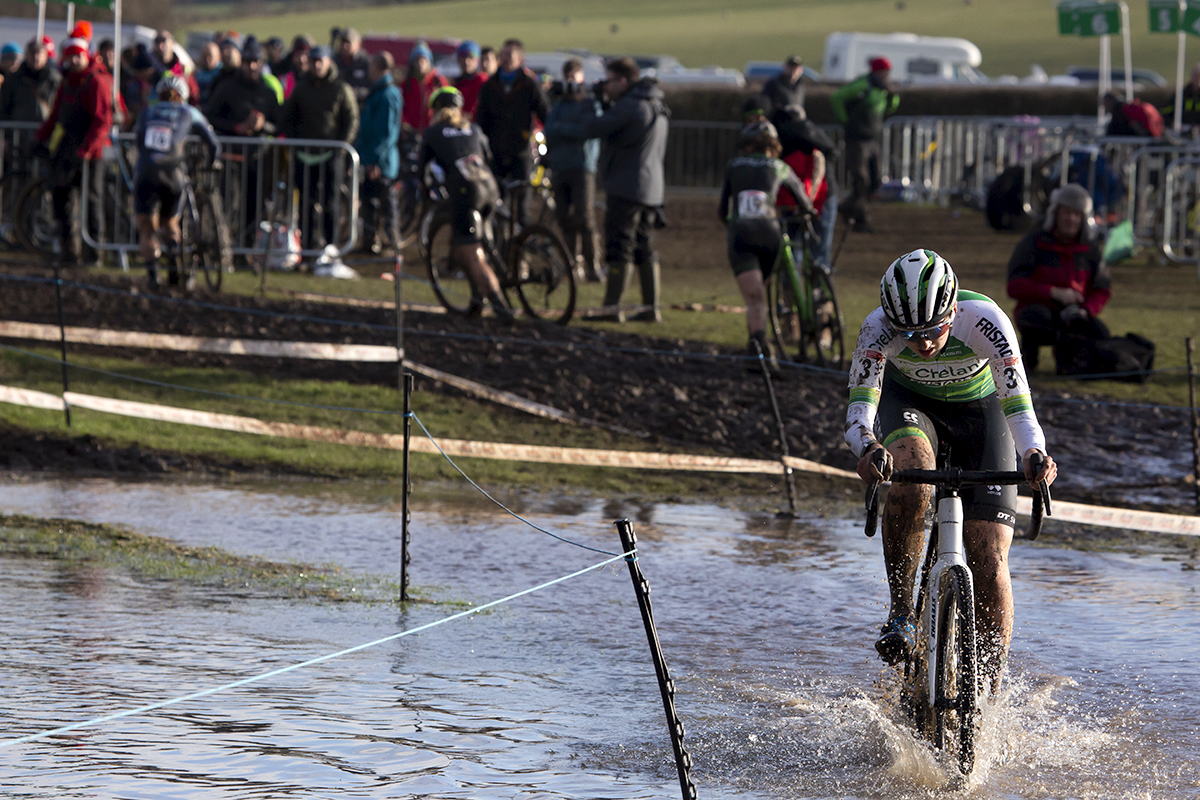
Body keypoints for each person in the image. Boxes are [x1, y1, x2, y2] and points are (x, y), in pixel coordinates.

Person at [846, 249, 1058, 690]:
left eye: (933, 330)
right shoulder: (877, 327)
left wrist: (1035, 455)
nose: (922, 343)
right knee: (911, 469)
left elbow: (1019, 407)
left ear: (953, 310)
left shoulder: (986, 320)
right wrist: (867, 449)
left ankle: (990, 687)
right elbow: (859, 412)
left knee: (989, 551)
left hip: (981, 413)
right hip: (910, 407)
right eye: (910, 333)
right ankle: (902, 612)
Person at [580, 56, 670, 323]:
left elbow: (593, 127)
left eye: (608, 81)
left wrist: (590, 102)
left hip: (627, 185)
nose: (604, 86)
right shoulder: (656, 105)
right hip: (652, 188)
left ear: (621, 80)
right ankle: (650, 308)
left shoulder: (631, 106)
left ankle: (611, 308)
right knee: (644, 246)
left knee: (620, 245)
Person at [718, 119, 811, 371]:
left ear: (747, 146)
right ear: (773, 146)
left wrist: (734, 224)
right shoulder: (779, 166)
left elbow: (722, 210)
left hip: (742, 236)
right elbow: (803, 200)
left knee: (755, 300)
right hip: (770, 236)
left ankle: (759, 349)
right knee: (763, 293)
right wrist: (808, 212)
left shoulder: (733, 165)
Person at [418, 86, 511, 321]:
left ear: (436, 110)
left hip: (464, 192)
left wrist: (429, 191)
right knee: (482, 241)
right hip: (489, 187)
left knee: (472, 253)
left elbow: (422, 172)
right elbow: (488, 157)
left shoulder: (432, 132)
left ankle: (500, 305)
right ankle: (481, 293)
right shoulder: (474, 128)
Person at [1006, 183, 1111, 372]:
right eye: (1066, 213)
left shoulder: (1091, 250)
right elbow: (1014, 286)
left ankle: (1072, 360)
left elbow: (1102, 289)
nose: (1071, 219)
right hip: (1040, 310)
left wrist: (1086, 310)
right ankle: (1029, 357)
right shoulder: (1034, 242)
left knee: (1101, 334)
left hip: (1076, 314)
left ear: (1084, 218)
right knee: (1035, 319)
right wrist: (1053, 293)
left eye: (1076, 214)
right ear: (1055, 214)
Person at [133, 74, 221, 289]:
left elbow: (138, 141)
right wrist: (212, 163)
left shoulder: (147, 112)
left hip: (145, 172)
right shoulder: (189, 111)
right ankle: (174, 267)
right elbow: (213, 143)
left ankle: (153, 277)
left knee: (146, 227)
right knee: (171, 223)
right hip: (173, 173)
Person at [33, 35, 112, 267]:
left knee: (92, 202)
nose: (75, 60)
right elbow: (56, 116)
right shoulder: (67, 82)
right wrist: (39, 138)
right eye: (71, 57)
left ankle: (94, 254)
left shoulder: (95, 82)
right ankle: (69, 252)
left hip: (92, 153)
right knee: (62, 199)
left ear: (86, 55)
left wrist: (86, 150)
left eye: (79, 56)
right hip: (67, 149)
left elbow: (101, 122)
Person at [281, 44, 359, 250]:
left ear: (328, 62)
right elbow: (288, 117)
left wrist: (340, 148)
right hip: (305, 155)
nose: (316, 65)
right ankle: (306, 247)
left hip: (331, 156)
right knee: (305, 204)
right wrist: (296, 141)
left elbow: (351, 121)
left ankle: (330, 249)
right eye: (313, 61)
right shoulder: (301, 88)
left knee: (331, 204)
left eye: (320, 61)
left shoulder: (341, 88)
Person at [474, 38, 549, 224]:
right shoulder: (490, 86)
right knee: (496, 203)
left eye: (510, 55)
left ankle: (521, 246)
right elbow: (480, 121)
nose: (506, 59)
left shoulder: (529, 85)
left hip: (521, 152)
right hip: (495, 152)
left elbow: (546, 114)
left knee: (523, 204)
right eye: (504, 54)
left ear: (520, 58)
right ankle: (500, 245)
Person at [544, 59, 603, 283]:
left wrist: (562, 130)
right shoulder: (558, 105)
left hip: (582, 167)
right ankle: (571, 265)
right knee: (564, 219)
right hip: (560, 167)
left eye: (574, 78)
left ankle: (592, 265)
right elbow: (549, 130)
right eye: (567, 77)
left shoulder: (588, 103)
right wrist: (565, 131)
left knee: (585, 218)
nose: (570, 82)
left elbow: (588, 130)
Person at [830, 56, 898, 233]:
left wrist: (893, 97)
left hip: (871, 140)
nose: (887, 75)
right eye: (884, 72)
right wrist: (845, 121)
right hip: (857, 141)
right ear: (877, 71)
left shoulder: (881, 89)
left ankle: (847, 207)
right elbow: (836, 97)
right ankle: (861, 218)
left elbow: (890, 109)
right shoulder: (863, 85)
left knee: (875, 181)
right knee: (861, 180)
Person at [355, 51, 403, 254]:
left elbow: (386, 134)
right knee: (369, 203)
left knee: (386, 205)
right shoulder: (377, 92)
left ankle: (393, 244)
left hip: (381, 163)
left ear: (379, 68)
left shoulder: (389, 94)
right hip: (370, 159)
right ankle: (370, 242)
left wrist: (375, 161)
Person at [0, 37, 60, 123]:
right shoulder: (13, 79)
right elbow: (4, 107)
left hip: (46, 131)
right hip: (17, 132)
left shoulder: (54, 79)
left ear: (46, 56)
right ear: (26, 55)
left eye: (39, 53)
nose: (36, 57)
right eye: (32, 53)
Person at [400, 40, 448, 133]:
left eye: (423, 59)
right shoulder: (407, 83)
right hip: (411, 131)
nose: (420, 63)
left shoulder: (438, 81)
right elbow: (401, 107)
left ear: (429, 62)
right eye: (417, 60)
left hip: (434, 130)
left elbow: (448, 104)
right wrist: (405, 124)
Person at [152, 30, 199, 106]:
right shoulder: (147, 70)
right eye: (157, 41)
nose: (160, 45)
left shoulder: (184, 70)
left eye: (164, 40)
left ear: (173, 43)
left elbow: (194, 98)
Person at [334, 27, 372, 104]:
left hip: (360, 105)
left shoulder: (366, 62)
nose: (344, 46)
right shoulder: (335, 62)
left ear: (358, 43)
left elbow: (372, 89)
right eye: (342, 42)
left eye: (348, 42)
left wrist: (351, 93)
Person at [454, 40, 487, 119]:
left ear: (477, 60)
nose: (466, 61)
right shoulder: (456, 83)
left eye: (470, 57)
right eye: (463, 57)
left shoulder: (482, 80)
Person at [1160, 63, 1200, 128]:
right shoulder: (1182, 94)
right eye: (1196, 76)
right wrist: (1172, 124)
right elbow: (1168, 111)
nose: (1198, 79)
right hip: (1183, 129)